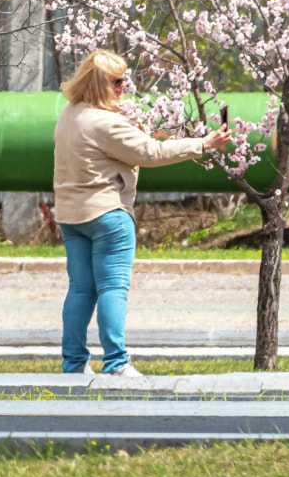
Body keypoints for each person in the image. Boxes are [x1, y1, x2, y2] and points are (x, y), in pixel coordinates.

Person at [52, 50, 232, 376]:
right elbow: (152, 152)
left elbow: (112, 148)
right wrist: (203, 144)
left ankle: (74, 364)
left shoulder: (70, 114)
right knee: (112, 288)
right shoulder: (106, 122)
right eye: (117, 82)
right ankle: (117, 363)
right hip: (108, 214)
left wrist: (134, 131)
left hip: (71, 215)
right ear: (100, 84)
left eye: (124, 80)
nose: (123, 86)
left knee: (80, 289)